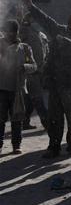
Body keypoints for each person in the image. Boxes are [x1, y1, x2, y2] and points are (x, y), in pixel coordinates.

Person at [25, 0, 71, 158]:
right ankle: (53, 146)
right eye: (69, 20)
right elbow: (46, 20)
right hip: (56, 82)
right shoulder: (60, 31)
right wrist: (31, 7)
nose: (69, 22)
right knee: (54, 117)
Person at [0, 21, 36, 154]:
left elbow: (34, 66)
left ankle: (16, 145)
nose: (10, 34)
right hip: (1, 88)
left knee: (17, 119)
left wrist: (24, 67)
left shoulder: (25, 48)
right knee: (0, 119)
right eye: (8, 31)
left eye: (13, 32)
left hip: (17, 90)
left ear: (16, 33)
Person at [18, 13, 48, 131]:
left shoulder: (41, 34)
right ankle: (46, 121)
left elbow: (45, 51)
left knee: (30, 98)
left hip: (40, 69)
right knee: (37, 97)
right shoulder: (24, 31)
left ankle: (25, 121)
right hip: (30, 70)